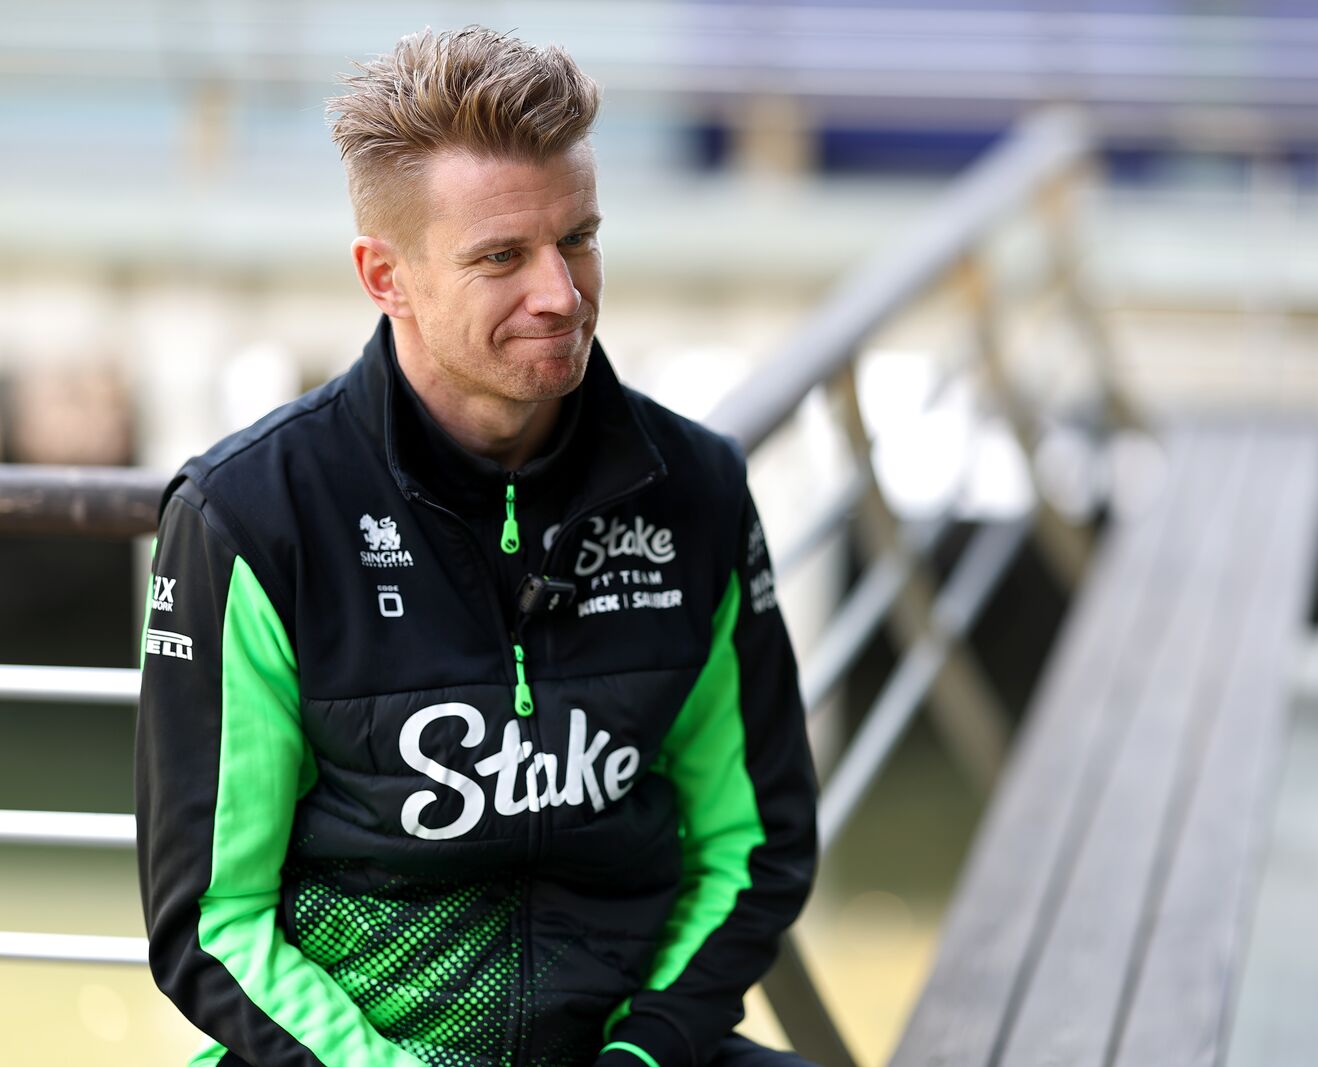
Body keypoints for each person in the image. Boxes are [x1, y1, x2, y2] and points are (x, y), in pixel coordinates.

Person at [135, 26, 818, 1067]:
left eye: (578, 238)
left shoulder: (700, 491)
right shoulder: (249, 515)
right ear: (385, 274)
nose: (561, 293)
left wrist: (644, 1051)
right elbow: (213, 924)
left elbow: (754, 843)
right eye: (502, 256)